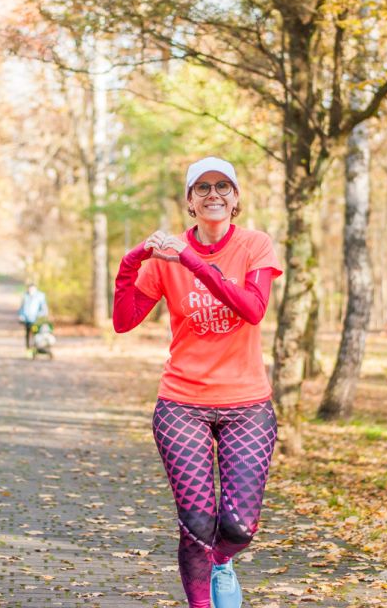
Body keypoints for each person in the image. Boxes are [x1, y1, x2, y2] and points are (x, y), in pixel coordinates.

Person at [113, 156, 283, 608]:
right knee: (196, 522)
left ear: (236, 198)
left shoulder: (255, 245)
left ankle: (221, 563)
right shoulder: (165, 259)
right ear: (189, 201)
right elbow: (124, 320)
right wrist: (133, 261)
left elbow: (253, 308)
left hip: (247, 404)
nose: (213, 195)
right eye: (202, 187)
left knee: (238, 528)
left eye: (222, 186)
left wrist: (189, 259)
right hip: (182, 402)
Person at [18, 283, 48, 350]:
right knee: (27, 333)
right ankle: (28, 348)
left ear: (35, 289)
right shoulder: (25, 296)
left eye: (32, 289)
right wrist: (21, 316)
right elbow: (21, 307)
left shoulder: (40, 296)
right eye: (29, 289)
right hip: (27, 320)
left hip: (35, 320)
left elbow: (44, 309)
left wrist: (38, 315)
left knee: (35, 333)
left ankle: (35, 348)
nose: (30, 290)